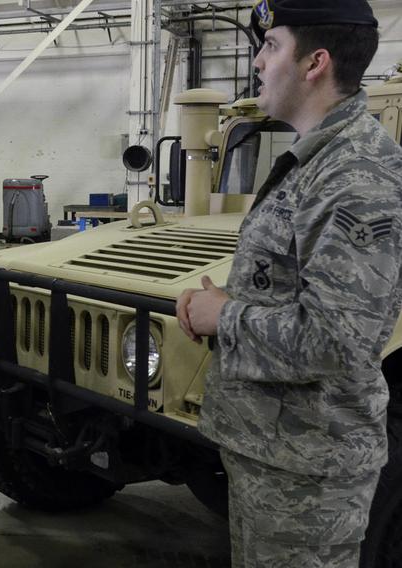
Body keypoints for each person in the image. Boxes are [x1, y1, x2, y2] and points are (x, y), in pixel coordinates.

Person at [176, 1, 402, 566]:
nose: (257, 61)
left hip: (310, 473)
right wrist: (235, 300)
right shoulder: (316, 159)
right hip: (276, 455)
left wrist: (221, 317)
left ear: (314, 63)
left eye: (271, 44)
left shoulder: (355, 176)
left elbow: (338, 340)